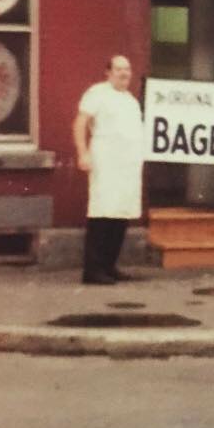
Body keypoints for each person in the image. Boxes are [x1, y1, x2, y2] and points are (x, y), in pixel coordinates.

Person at [73, 55, 144, 284]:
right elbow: (80, 123)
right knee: (102, 212)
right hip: (106, 162)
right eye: (119, 69)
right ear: (108, 72)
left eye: (127, 69)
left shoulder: (130, 99)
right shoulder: (97, 93)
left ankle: (109, 265)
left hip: (128, 165)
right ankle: (92, 270)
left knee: (121, 214)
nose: (124, 73)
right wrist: (83, 152)